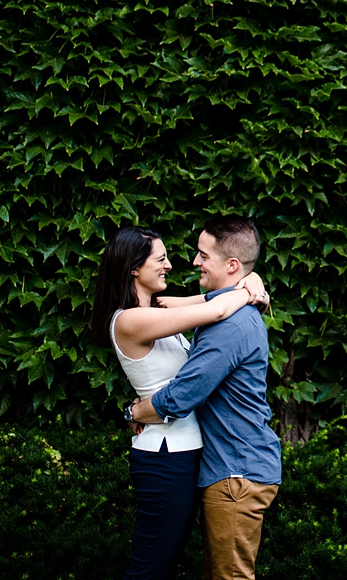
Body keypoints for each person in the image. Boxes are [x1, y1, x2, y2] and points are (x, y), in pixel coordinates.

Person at [91, 224, 269, 580]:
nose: (172, 265)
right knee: (150, 569)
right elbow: (217, 311)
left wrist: (253, 279)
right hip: (164, 458)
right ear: (133, 269)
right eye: (161, 259)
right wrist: (248, 287)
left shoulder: (156, 313)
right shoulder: (129, 320)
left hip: (184, 455)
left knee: (165, 565)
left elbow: (207, 301)